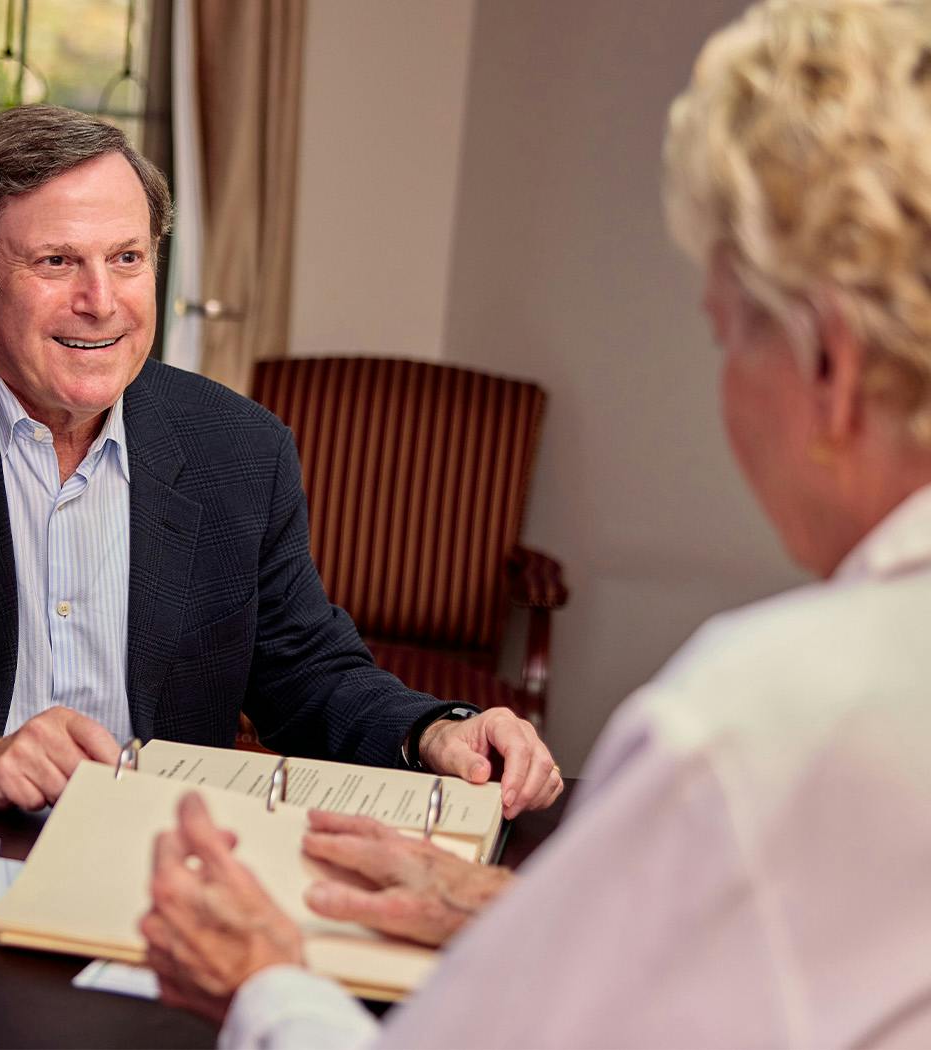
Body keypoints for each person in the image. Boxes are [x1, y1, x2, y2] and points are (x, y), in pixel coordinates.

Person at [141, 2, 931, 1045]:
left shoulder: (749, 727)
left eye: (727, 337)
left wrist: (259, 985)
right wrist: (503, 908)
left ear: (829, 364)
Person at [0, 104, 561, 815]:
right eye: (57, 262)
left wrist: (435, 731)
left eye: (127, 258)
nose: (101, 302)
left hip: (155, 865)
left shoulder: (240, 449)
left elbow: (307, 672)